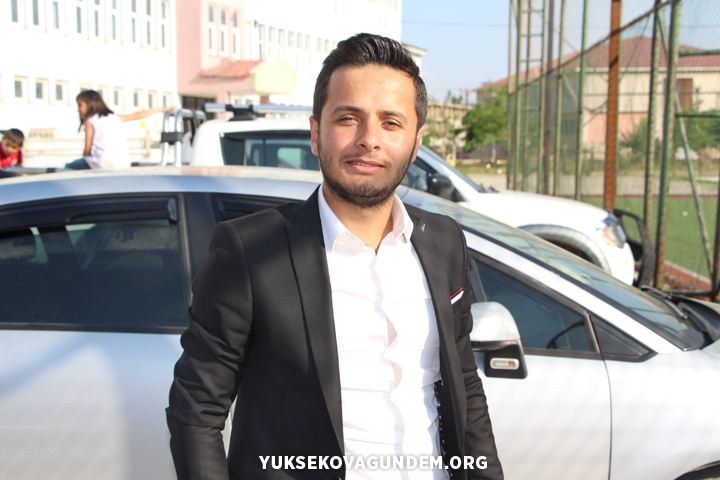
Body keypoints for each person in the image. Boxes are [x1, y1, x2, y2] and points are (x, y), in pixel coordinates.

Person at [167, 33, 503, 480]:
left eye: (391, 123)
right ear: (315, 133)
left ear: (416, 142)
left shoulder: (443, 242)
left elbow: (464, 386)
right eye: (348, 118)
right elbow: (195, 412)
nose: (369, 139)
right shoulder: (251, 252)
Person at [65, 90, 173, 170]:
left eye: (80, 105)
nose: (78, 109)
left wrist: (87, 162)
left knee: (68, 167)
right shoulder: (114, 117)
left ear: (90, 105)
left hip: (101, 164)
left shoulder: (90, 121)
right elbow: (139, 115)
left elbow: (87, 151)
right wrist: (164, 109)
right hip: (122, 164)